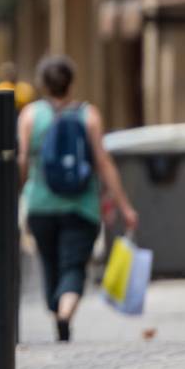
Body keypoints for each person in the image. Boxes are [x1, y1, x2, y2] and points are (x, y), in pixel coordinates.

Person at [19, 53, 138, 342]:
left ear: (42, 84)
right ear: (71, 83)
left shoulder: (31, 116)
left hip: (40, 206)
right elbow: (103, 163)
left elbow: (22, 162)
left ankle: (57, 309)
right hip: (82, 207)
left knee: (49, 265)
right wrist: (125, 206)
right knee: (74, 267)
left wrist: (21, 194)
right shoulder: (89, 115)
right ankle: (65, 313)